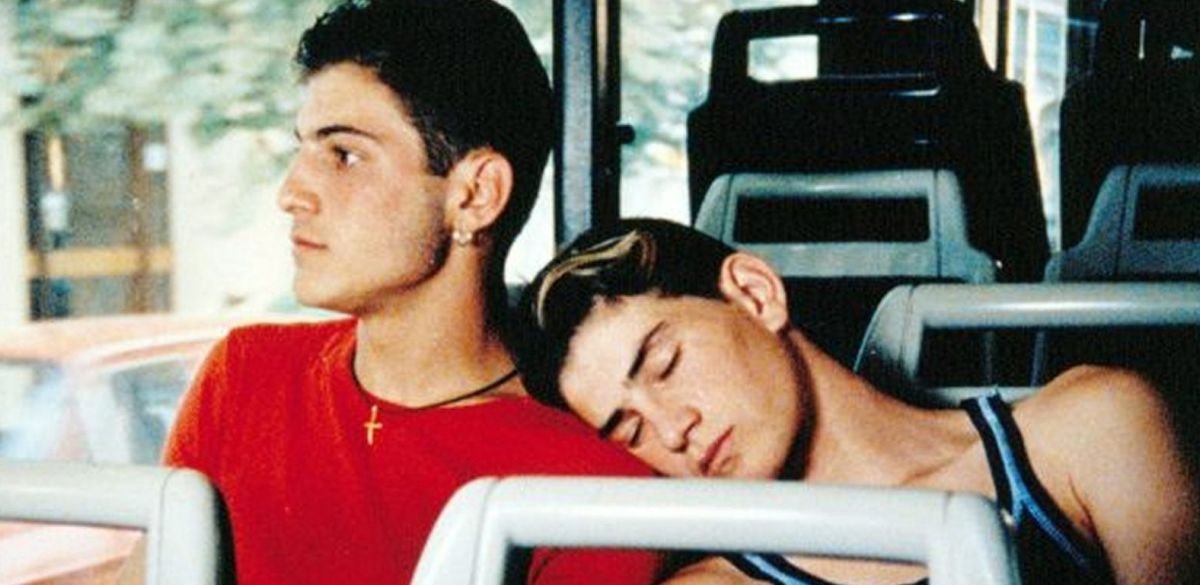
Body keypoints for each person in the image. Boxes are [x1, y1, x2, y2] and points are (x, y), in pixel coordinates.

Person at [158, 2, 665, 583]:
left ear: (475, 195)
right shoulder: (245, 378)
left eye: (345, 155)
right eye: (302, 149)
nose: (291, 193)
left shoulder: (587, 481)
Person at [515, 218, 1200, 585]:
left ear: (755, 293)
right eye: (630, 428)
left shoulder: (1093, 431)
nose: (672, 430)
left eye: (666, 364)